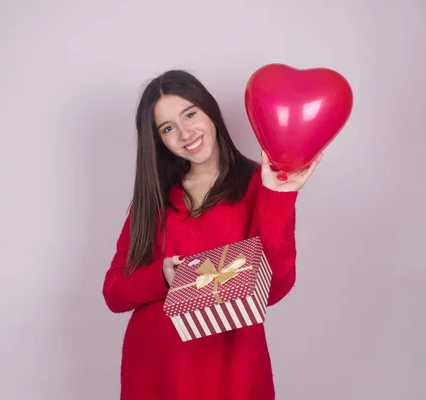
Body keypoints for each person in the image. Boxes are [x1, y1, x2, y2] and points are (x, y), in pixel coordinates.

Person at [102, 69, 322, 400]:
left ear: (209, 109)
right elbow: (114, 292)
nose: (185, 133)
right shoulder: (155, 199)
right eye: (167, 128)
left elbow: (274, 287)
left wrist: (279, 195)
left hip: (232, 373)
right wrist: (161, 275)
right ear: (159, 140)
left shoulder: (258, 185)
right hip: (154, 372)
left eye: (190, 113)